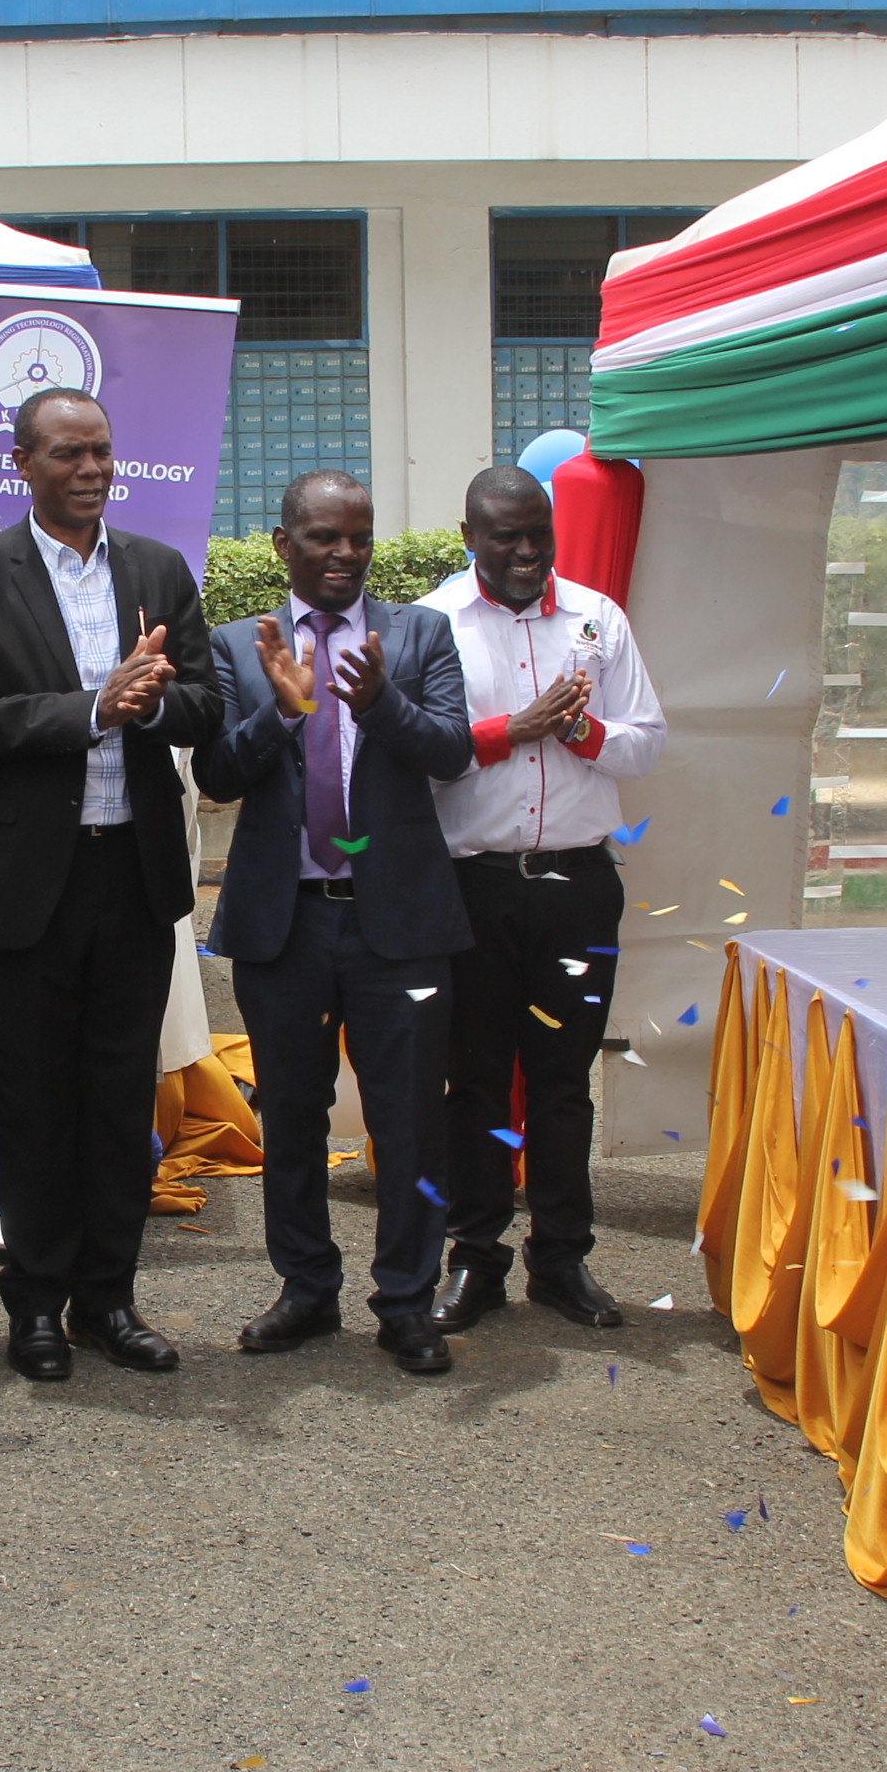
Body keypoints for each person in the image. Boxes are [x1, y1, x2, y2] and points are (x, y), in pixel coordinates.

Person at [0, 388, 220, 1379]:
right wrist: (89, 710)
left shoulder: (157, 569)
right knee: (38, 1106)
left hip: (131, 880)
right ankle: (35, 1307)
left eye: (101, 451)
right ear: (22, 463)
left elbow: (208, 705)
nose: (90, 469)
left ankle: (109, 1301)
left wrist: (152, 703)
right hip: (25, 884)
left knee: (112, 1102)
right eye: (67, 454)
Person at [193, 469, 472, 1373]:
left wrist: (378, 701)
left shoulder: (418, 631)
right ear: (284, 545)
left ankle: (405, 1301)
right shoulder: (240, 645)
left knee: (409, 1124)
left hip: (402, 926)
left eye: (360, 537)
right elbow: (218, 777)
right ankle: (307, 1289)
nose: (346, 554)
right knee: (294, 1117)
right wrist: (283, 709)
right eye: (324, 537)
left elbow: (453, 753)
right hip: (287, 926)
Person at [420, 465, 667, 1334]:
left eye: (539, 534)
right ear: (469, 538)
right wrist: (514, 730)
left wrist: (583, 729)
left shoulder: (599, 619)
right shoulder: (434, 623)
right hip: (474, 887)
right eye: (505, 537)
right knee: (478, 1081)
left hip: (577, 888)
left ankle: (562, 1262)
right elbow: (422, 753)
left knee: (564, 1082)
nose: (526, 552)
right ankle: (475, 1260)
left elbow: (646, 745)